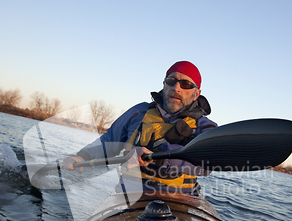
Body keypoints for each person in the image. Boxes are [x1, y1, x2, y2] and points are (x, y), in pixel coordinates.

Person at [63, 61, 217, 196]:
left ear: (197, 94)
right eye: (171, 81)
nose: (176, 88)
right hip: (130, 194)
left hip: (180, 199)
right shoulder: (138, 112)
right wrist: (82, 156)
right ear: (164, 84)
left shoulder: (204, 127)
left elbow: (208, 163)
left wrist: (161, 159)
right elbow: (109, 141)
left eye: (186, 84)